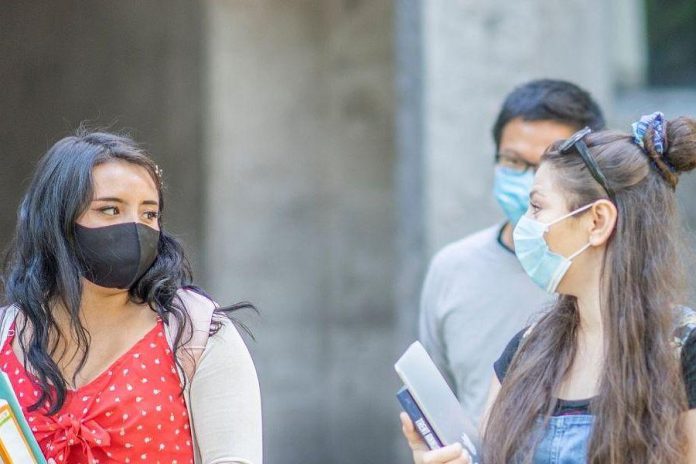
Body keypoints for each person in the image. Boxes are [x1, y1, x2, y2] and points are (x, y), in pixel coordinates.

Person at [401, 113, 696, 463]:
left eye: (537, 207)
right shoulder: (527, 348)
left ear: (597, 221)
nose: (524, 224)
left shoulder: (684, 351)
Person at [0, 131, 262, 464]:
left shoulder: (194, 334)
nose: (135, 228)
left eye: (149, 214)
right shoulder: (5, 338)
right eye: (110, 210)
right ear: (57, 220)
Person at [419, 79, 605, 423]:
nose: (530, 183)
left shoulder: (603, 276)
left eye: (547, 166)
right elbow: (437, 411)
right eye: (513, 162)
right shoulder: (451, 268)